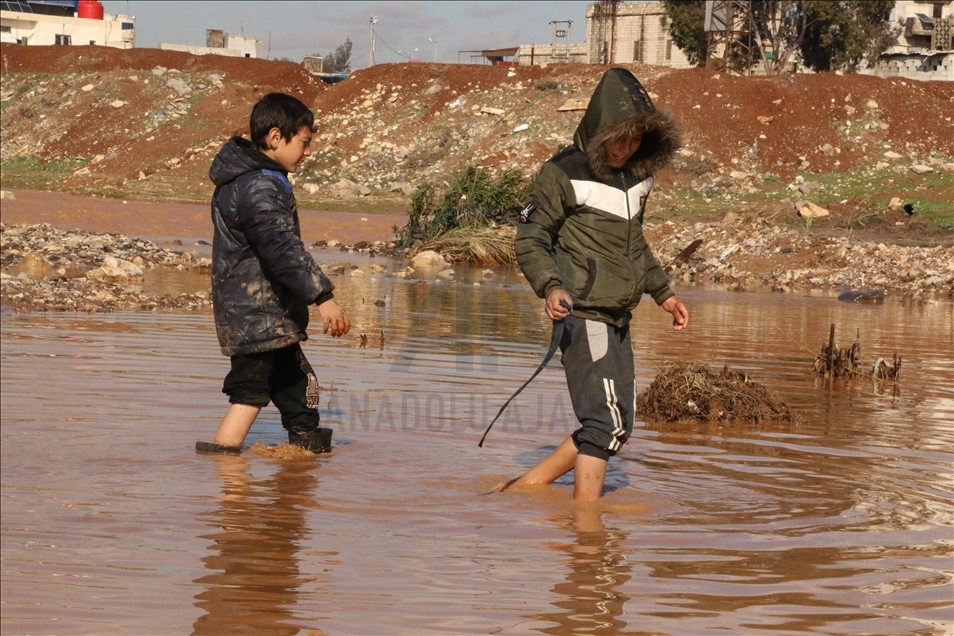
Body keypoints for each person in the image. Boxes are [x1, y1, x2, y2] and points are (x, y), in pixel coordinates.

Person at [506, 68, 690, 501]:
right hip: (583, 313)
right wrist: (551, 286)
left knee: (615, 423)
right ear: (600, 129)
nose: (627, 149)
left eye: (636, 139)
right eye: (619, 138)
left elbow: (634, 243)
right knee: (604, 424)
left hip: (618, 316)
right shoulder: (563, 172)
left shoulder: (638, 178)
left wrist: (663, 293)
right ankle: (587, 530)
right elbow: (531, 236)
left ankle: (523, 489)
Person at [195, 93, 350, 456]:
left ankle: (302, 467)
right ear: (276, 137)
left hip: (267, 315)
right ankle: (225, 473)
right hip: (257, 315)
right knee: (249, 393)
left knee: (303, 390)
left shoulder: (250, 179)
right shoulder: (259, 186)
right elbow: (281, 248)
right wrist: (323, 298)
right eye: (304, 143)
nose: (308, 152)